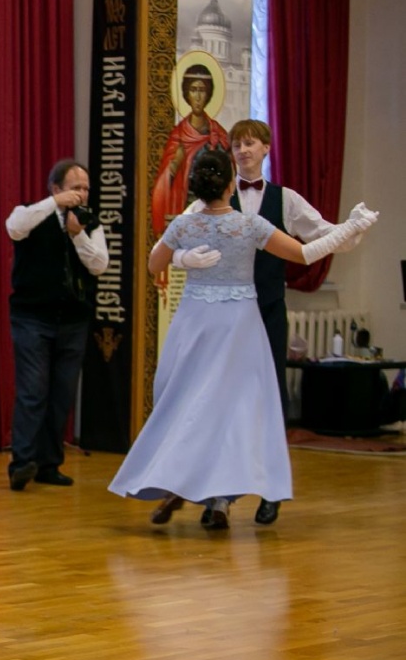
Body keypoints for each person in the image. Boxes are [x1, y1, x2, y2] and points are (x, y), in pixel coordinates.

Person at [109, 149, 377, 528]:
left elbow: (154, 263)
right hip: (237, 326)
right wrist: (348, 229)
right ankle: (218, 499)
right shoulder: (249, 225)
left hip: (195, 323)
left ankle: (185, 487)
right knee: (232, 412)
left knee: (186, 404)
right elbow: (304, 254)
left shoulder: (184, 225)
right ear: (230, 184)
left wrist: (183, 259)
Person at [168, 119, 362, 526]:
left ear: (267, 148)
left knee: (267, 403)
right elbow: (175, 240)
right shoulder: (211, 196)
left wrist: (353, 227)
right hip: (224, 316)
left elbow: (321, 235)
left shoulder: (285, 199)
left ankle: (270, 491)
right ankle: (217, 500)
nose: (242, 150)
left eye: (250, 143)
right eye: (237, 144)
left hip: (267, 311)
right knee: (219, 403)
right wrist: (184, 259)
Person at [4, 160, 109, 492]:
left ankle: (49, 464)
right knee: (33, 391)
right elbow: (14, 227)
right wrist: (54, 206)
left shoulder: (89, 222)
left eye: (85, 188)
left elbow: (99, 265)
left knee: (61, 395)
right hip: (32, 317)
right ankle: (21, 464)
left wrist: (79, 237)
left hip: (73, 321)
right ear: (56, 189)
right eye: (75, 187)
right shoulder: (34, 213)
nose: (81, 194)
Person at [151, 64, 230, 237]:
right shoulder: (178, 137)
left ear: (209, 94)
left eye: (202, 90)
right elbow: (163, 184)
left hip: (216, 218)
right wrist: (174, 165)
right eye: (193, 89)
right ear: (186, 93)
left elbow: (229, 177)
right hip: (185, 213)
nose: (198, 96)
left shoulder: (219, 135)